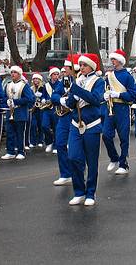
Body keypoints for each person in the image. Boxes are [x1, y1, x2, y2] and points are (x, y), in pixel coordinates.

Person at [61, 53, 105, 206]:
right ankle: (79, 191)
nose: (81, 67)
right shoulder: (77, 81)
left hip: (92, 125)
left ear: (91, 66)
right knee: (73, 157)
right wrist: (70, 98)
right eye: (80, 64)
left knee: (91, 161)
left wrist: (77, 91)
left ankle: (90, 193)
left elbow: (95, 99)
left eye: (84, 64)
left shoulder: (99, 81)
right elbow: (72, 103)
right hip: (75, 124)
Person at [102, 49, 136, 175]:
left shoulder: (127, 76)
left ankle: (123, 164)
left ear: (121, 61)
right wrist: (105, 95)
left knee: (123, 138)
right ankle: (114, 158)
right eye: (112, 59)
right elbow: (104, 89)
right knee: (106, 135)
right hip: (110, 108)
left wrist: (119, 94)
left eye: (114, 59)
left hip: (122, 108)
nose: (112, 61)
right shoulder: (109, 75)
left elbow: (133, 94)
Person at [51, 58, 75, 186]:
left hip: (76, 116)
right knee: (60, 143)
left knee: (74, 147)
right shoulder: (63, 82)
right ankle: (65, 174)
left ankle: (77, 172)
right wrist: (61, 100)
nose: (64, 70)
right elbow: (54, 96)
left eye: (67, 67)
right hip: (64, 117)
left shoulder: (79, 80)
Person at [1, 65, 34, 160]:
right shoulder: (8, 85)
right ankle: (10, 151)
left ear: (19, 74)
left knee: (20, 133)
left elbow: (29, 98)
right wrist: (7, 101)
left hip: (20, 111)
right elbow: (4, 96)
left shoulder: (24, 85)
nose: (12, 74)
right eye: (11, 72)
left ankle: (21, 151)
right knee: (9, 132)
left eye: (15, 72)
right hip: (9, 111)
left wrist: (15, 101)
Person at [42, 67, 61, 153]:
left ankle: (56, 145)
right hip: (47, 108)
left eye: (57, 74)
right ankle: (49, 142)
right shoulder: (46, 85)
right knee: (44, 126)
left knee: (56, 127)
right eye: (54, 74)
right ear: (50, 75)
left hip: (56, 108)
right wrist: (43, 99)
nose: (56, 76)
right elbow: (43, 95)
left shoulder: (60, 84)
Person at [28, 73, 46, 149]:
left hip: (41, 108)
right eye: (34, 79)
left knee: (40, 124)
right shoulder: (31, 88)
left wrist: (42, 99)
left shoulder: (43, 88)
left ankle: (40, 140)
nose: (36, 80)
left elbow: (44, 96)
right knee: (33, 125)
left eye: (37, 79)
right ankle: (33, 141)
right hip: (33, 109)